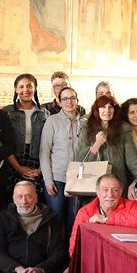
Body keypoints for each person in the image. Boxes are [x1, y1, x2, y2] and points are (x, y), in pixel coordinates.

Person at [0, 181, 68, 273]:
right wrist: (17, 268)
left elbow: (59, 253)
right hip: (15, 270)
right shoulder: (3, 218)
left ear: (36, 197)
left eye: (28, 196)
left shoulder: (51, 219)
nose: (24, 201)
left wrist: (40, 269)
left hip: (43, 269)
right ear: (13, 199)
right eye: (19, 197)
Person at [78, 95, 137, 191]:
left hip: (116, 184)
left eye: (110, 107)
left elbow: (133, 161)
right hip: (92, 186)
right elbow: (79, 160)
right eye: (103, 107)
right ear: (96, 109)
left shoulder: (123, 129)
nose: (107, 111)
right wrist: (96, 145)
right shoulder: (86, 129)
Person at [71, 173, 137, 256]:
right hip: (95, 258)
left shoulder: (130, 206)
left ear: (121, 191)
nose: (110, 195)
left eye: (115, 190)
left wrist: (106, 219)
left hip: (123, 257)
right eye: (105, 189)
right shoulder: (85, 212)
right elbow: (74, 247)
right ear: (97, 191)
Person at [40, 86, 83, 233]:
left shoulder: (84, 123)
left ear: (77, 100)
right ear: (59, 102)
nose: (69, 102)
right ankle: (56, 255)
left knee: (74, 222)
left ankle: (71, 255)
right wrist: (48, 180)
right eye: (65, 98)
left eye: (72, 98)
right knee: (56, 222)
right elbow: (44, 152)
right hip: (57, 179)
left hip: (78, 181)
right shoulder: (52, 121)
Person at [2, 74, 49, 203]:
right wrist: (18, 167)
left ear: (35, 89)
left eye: (29, 86)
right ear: (16, 89)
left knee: (33, 200)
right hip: (13, 161)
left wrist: (40, 170)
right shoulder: (7, 112)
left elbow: (49, 145)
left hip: (37, 163)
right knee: (14, 202)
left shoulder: (45, 113)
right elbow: (3, 143)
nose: (25, 90)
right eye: (21, 87)